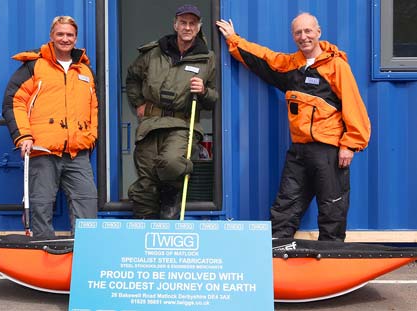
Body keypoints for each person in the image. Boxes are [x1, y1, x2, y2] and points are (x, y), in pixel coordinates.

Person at [216, 13, 371, 241]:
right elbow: (264, 59)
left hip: (329, 150)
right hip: (299, 151)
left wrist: (350, 144)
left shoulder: (336, 66)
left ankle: (331, 259)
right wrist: (234, 40)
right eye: (298, 32)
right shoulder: (291, 65)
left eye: (308, 31)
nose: (303, 37)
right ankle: (276, 256)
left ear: (318, 32)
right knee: (285, 205)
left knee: (332, 208)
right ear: (293, 36)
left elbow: (354, 105)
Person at [2, 16, 98, 238]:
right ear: (51, 37)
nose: (65, 39)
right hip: (43, 150)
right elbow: (13, 102)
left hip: (77, 153)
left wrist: (90, 136)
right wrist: (23, 136)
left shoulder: (84, 71)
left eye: (70, 35)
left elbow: (94, 108)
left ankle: (83, 256)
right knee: (41, 206)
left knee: (87, 203)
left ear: (76, 38)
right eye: (60, 34)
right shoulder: (34, 66)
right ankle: (42, 253)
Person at [126, 4, 218, 219]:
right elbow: (132, 77)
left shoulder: (207, 58)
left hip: (182, 124)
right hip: (150, 125)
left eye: (192, 24)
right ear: (175, 25)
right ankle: (146, 233)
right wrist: (139, 102)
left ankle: (170, 191)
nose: (187, 27)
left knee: (172, 163)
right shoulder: (153, 52)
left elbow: (213, 98)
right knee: (146, 184)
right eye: (183, 23)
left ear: (198, 27)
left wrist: (204, 91)